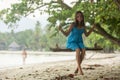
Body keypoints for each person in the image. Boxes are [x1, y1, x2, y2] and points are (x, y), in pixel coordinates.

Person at [59, 11, 96, 75]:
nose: (79, 17)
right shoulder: (73, 25)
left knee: (84, 51)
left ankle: (77, 68)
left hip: (79, 41)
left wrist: (92, 28)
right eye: (78, 16)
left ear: (82, 17)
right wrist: (61, 30)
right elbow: (66, 34)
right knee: (78, 50)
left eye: (81, 16)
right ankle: (80, 69)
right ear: (76, 17)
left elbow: (86, 34)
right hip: (72, 41)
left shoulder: (83, 26)